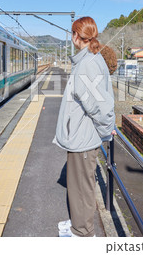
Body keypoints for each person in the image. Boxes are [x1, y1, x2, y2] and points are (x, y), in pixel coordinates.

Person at [53, 17, 115, 237]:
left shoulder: (87, 64)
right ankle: (78, 227)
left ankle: (83, 234)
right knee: (80, 187)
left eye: (71, 34)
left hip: (83, 137)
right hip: (81, 135)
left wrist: (107, 130)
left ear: (76, 36)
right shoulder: (89, 60)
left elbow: (100, 105)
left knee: (82, 190)